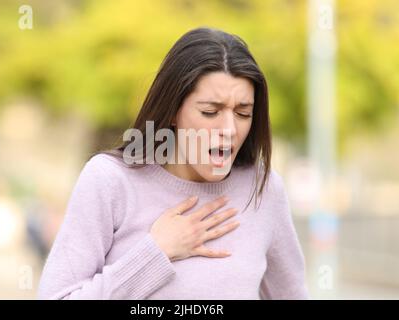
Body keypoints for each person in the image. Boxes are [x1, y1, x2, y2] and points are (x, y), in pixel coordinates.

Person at [37, 27, 309, 300]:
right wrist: (156, 253)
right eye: (210, 112)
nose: (229, 129)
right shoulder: (110, 180)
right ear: (173, 111)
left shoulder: (263, 190)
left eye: (242, 113)